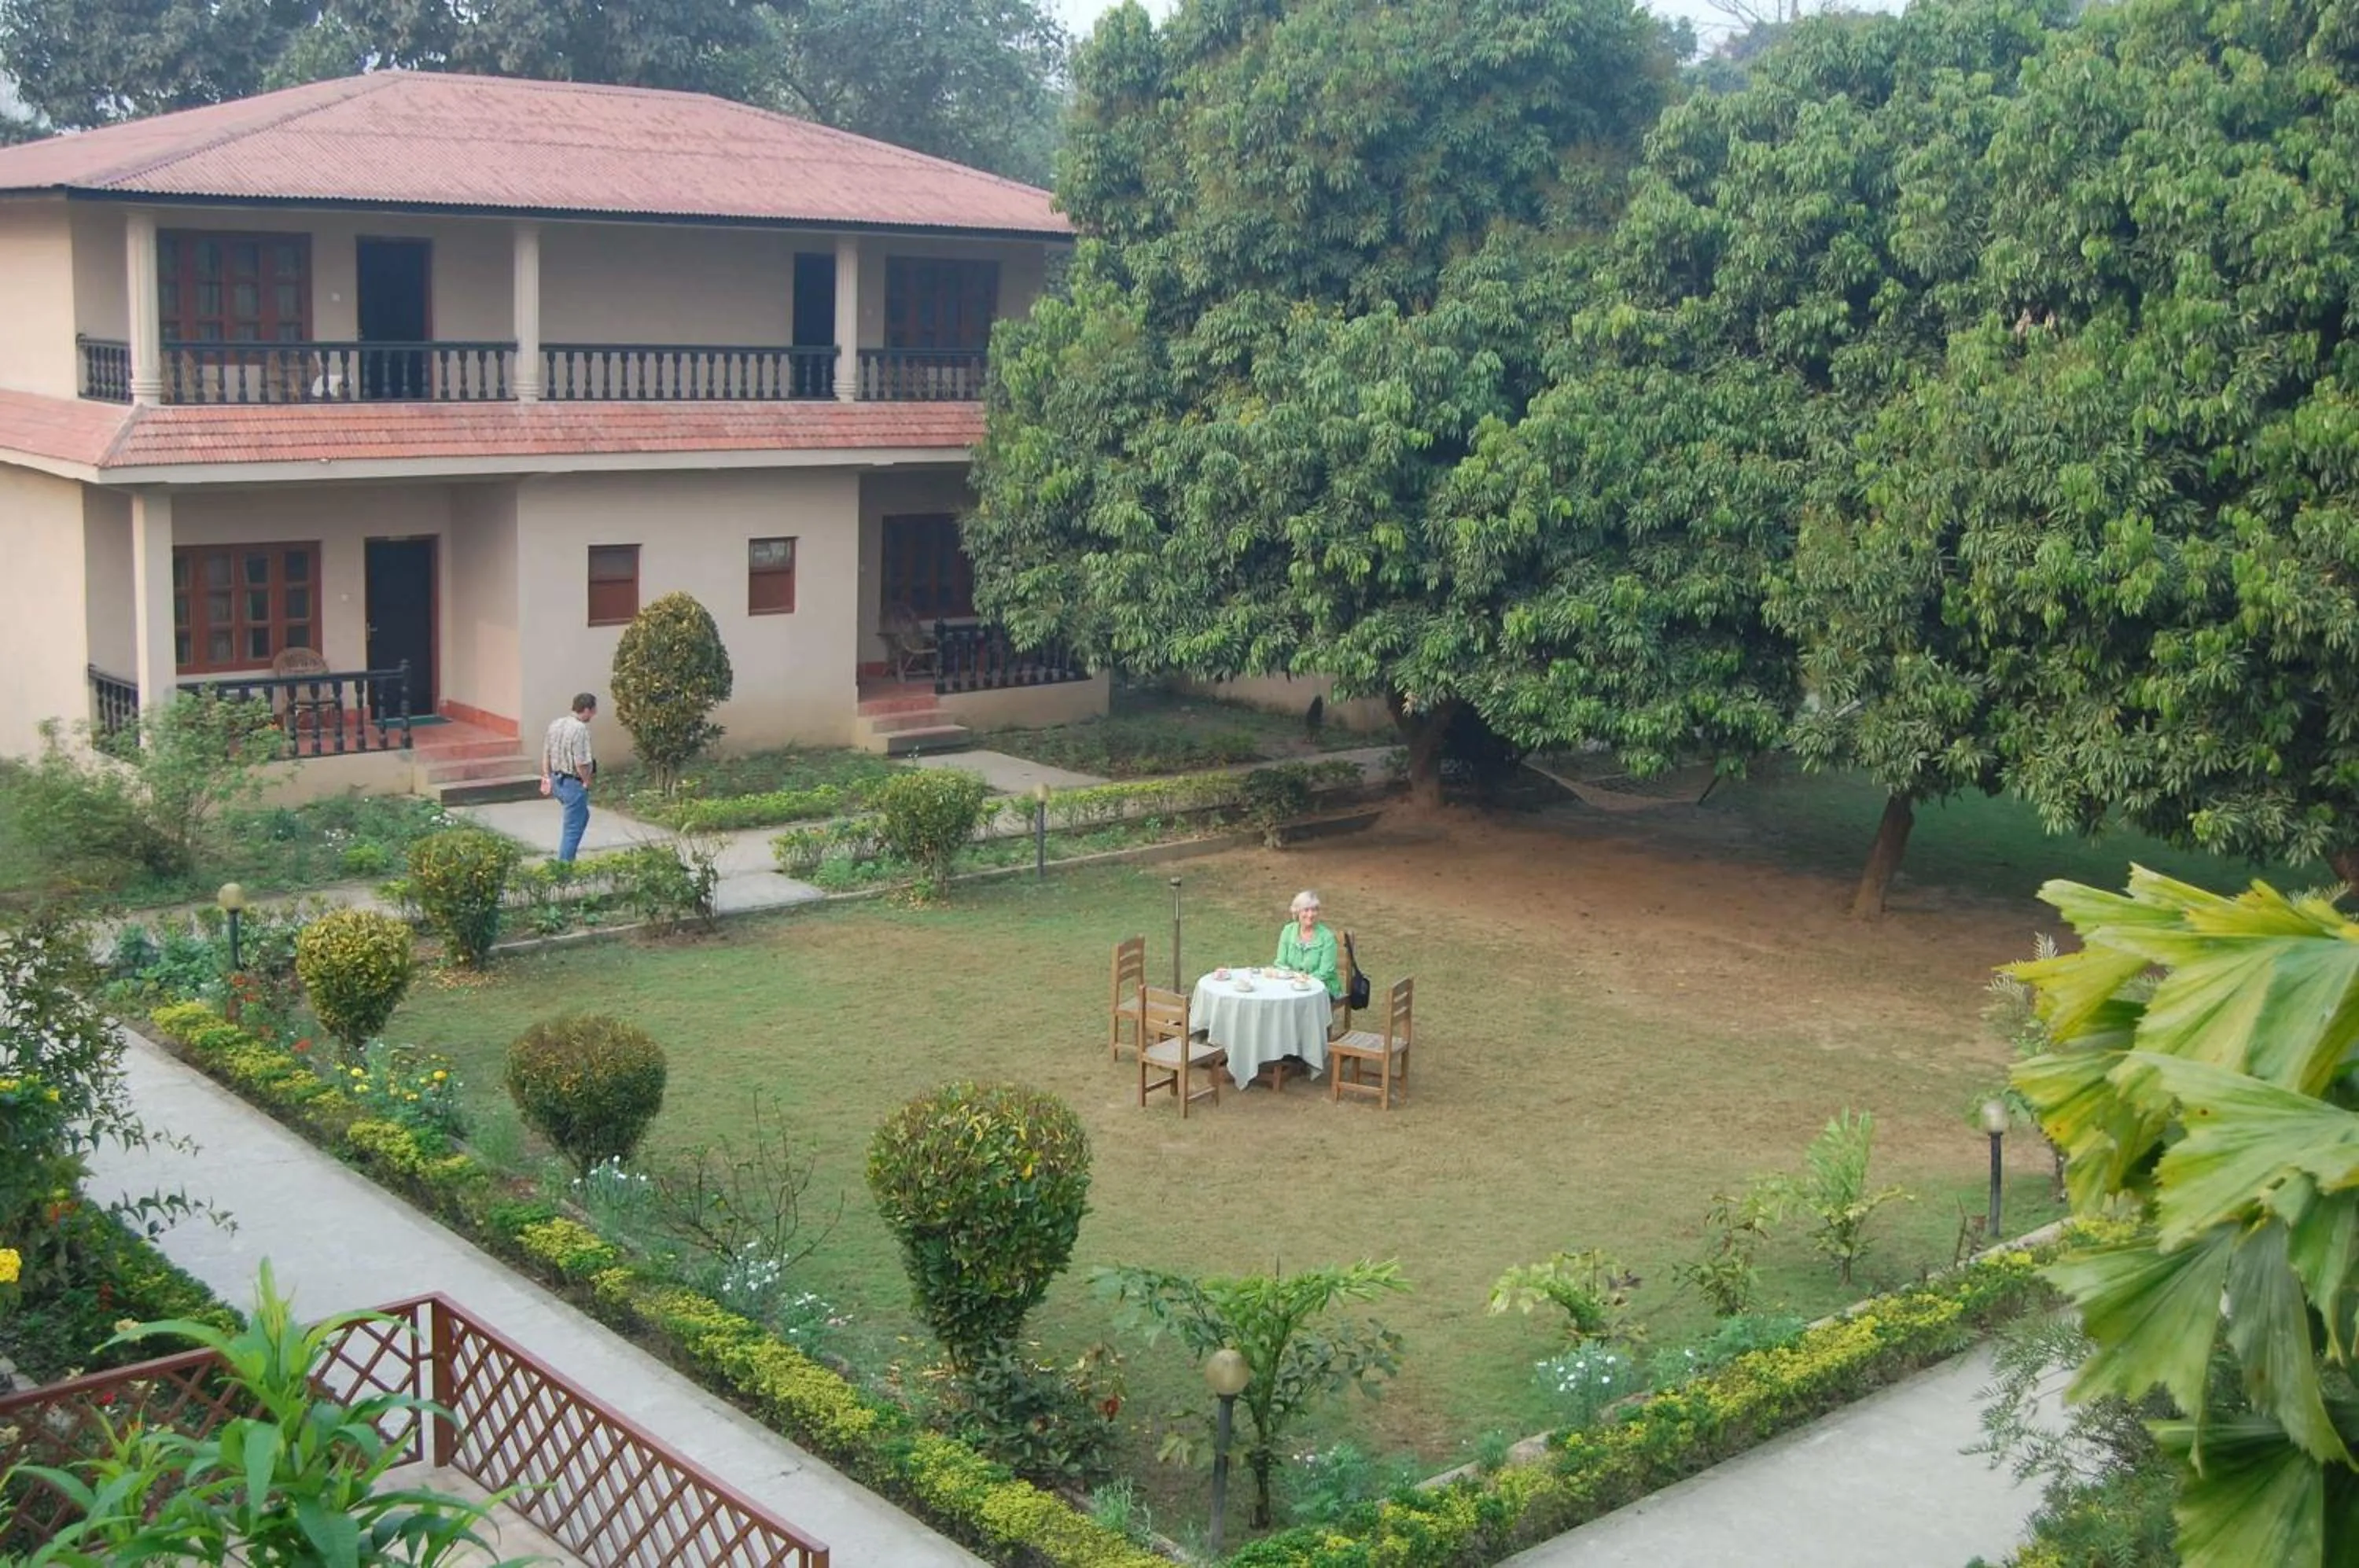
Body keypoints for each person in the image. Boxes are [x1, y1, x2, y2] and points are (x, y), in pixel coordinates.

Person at [540, 692, 598, 863]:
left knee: (582, 816)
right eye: (593, 710)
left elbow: (546, 753)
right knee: (572, 828)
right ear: (587, 709)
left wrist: (546, 776)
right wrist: (587, 780)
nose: (594, 714)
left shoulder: (556, 724)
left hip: (557, 780)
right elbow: (581, 762)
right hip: (572, 782)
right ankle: (564, 865)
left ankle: (568, 858)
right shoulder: (579, 729)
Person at [1275, 889, 1341, 999]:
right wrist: (1291, 979)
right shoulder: (1288, 931)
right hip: (1292, 985)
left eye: (1314, 910)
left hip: (1322, 988)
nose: (1310, 915)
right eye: (1306, 910)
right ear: (1297, 912)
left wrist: (1303, 980)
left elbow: (1325, 972)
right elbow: (1280, 963)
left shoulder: (1327, 937)